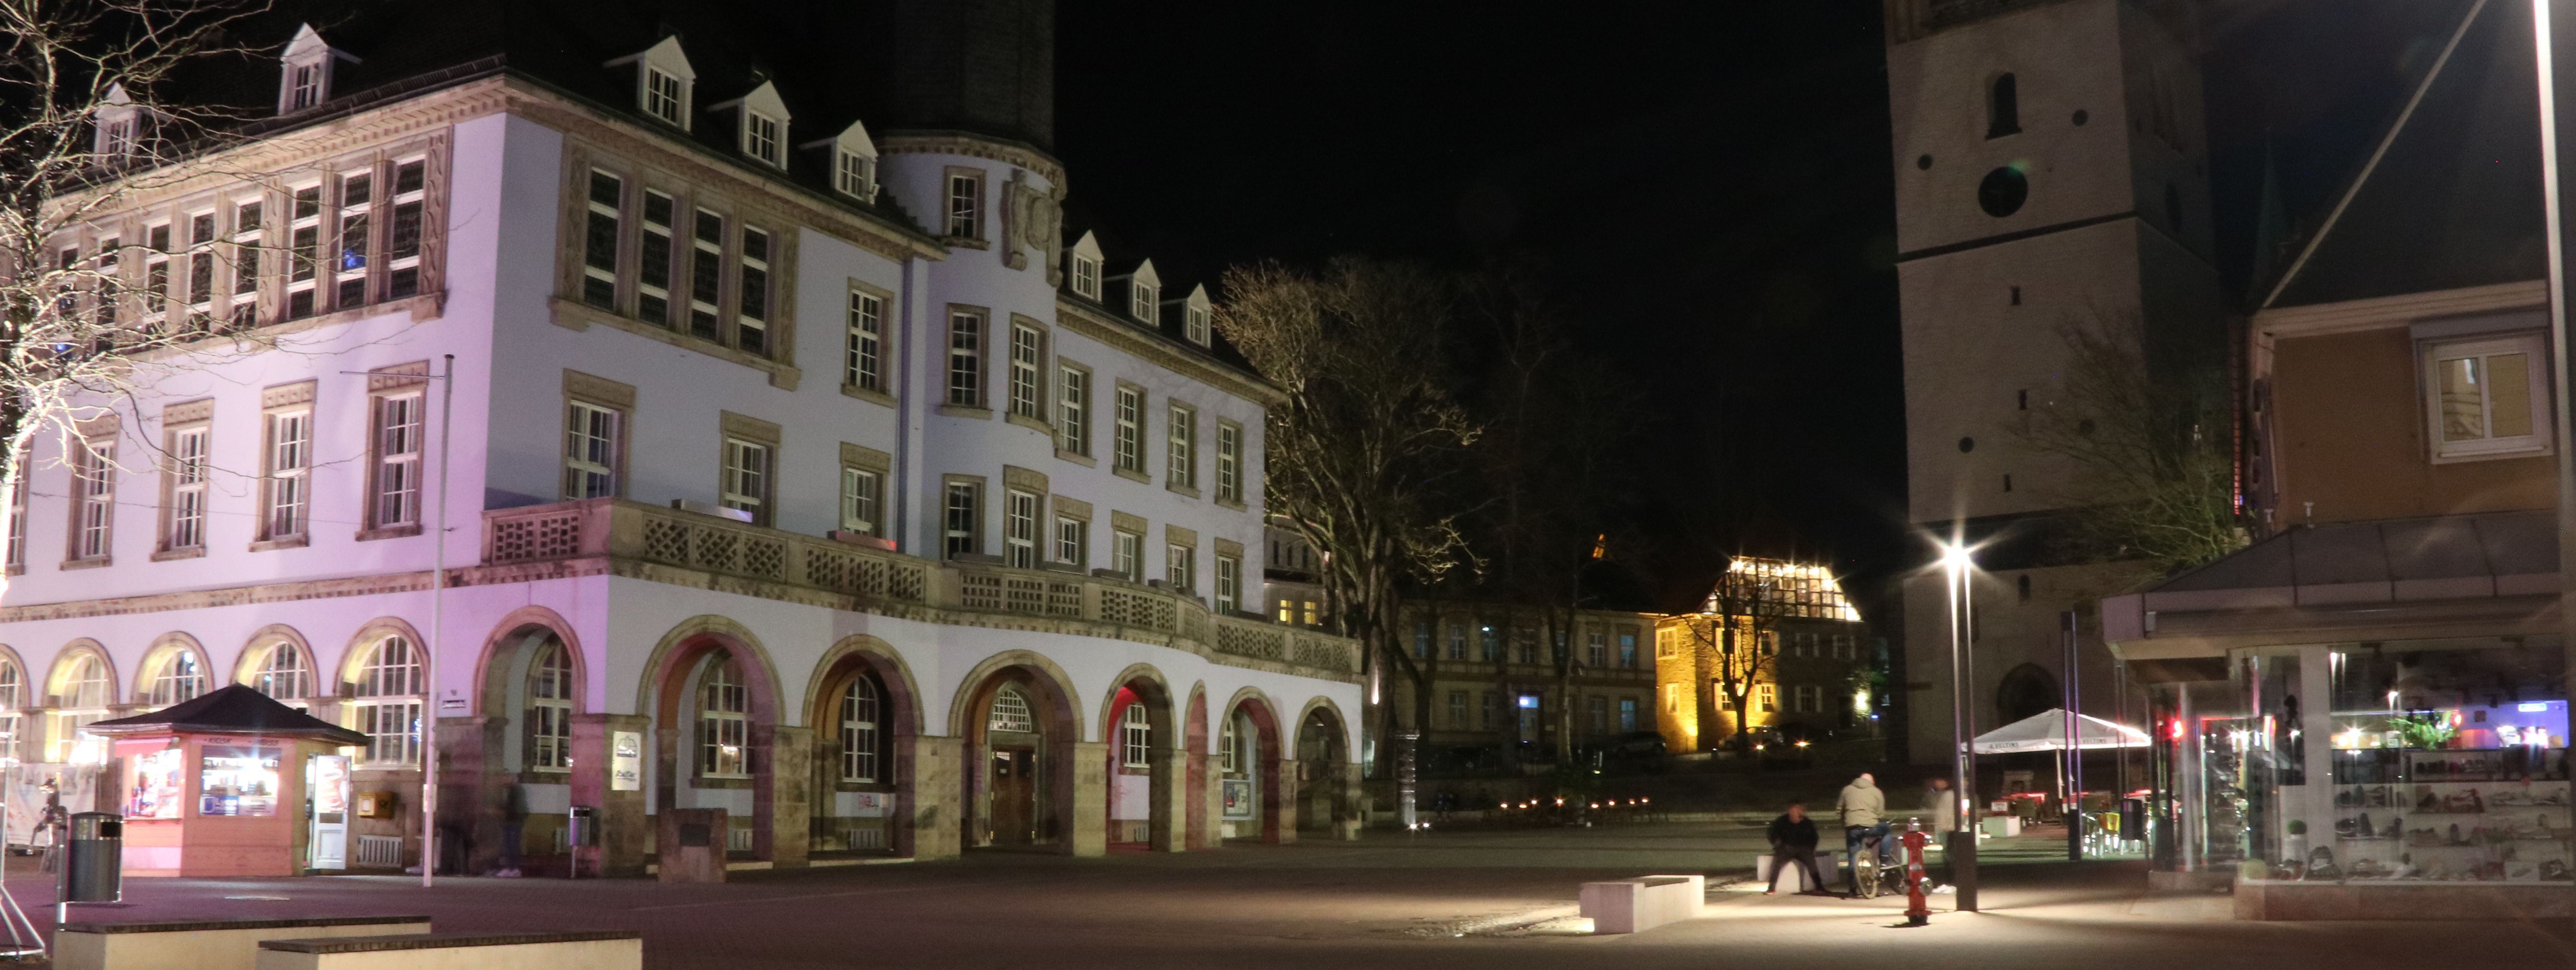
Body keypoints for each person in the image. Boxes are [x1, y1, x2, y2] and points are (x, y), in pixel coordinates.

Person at [1837, 772, 1889, 897]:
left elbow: (1840, 810)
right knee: (1887, 830)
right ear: (1872, 782)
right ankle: (1884, 861)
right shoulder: (1876, 791)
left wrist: (1846, 824)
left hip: (1852, 828)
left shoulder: (1847, 790)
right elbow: (1881, 814)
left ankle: (1852, 890)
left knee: (1852, 857)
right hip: (1870, 827)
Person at [1764, 802, 1828, 895]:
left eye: (1798, 809)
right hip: (1787, 848)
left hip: (1803, 849)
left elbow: (1815, 837)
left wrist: (1810, 848)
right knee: (1777, 864)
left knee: (1812, 865)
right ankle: (1771, 888)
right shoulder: (1782, 821)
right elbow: (1772, 833)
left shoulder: (1807, 822)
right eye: (1794, 809)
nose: (1796, 812)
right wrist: (1777, 844)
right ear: (1790, 810)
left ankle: (1819, 887)